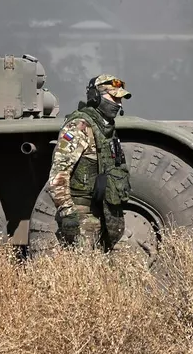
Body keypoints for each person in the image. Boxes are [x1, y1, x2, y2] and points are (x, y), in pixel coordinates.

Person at [47, 74, 132, 250]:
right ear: (96, 97)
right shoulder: (79, 126)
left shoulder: (107, 129)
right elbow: (58, 174)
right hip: (82, 216)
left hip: (104, 213)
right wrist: (68, 213)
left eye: (121, 99)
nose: (119, 104)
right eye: (114, 98)